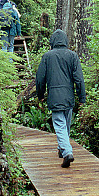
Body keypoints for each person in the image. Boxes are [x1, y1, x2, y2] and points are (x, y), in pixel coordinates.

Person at [36, 29, 86, 168]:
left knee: (59, 125)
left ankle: (67, 152)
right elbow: (79, 79)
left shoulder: (47, 56)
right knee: (65, 125)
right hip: (68, 97)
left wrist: (40, 95)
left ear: (52, 42)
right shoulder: (72, 56)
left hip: (54, 96)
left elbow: (40, 78)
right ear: (65, 41)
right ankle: (62, 149)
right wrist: (81, 97)